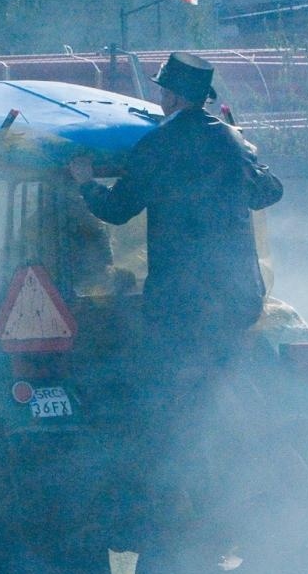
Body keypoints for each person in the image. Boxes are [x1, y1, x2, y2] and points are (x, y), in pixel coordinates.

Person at [68, 51, 283, 365]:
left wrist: (86, 182)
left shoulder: (156, 145)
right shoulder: (232, 142)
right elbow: (269, 192)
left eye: (163, 92)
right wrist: (249, 155)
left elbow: (116, 210)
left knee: (173, 389)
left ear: (170, 97)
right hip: (237, 302)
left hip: (181, 306)